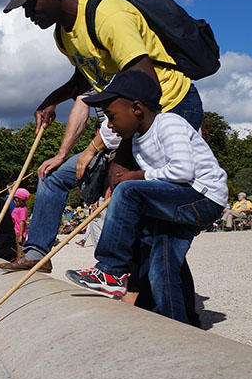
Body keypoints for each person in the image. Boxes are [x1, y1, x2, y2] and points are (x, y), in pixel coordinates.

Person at [0, 0, 206, 276]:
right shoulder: (63, 36)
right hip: (124, 121)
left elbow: (145, 86)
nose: (28, 14)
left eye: (31, 3)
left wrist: (115, 155)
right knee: (53, 176)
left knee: (141, 201)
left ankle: (133, 282)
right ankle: (37, 253)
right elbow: (86, 81)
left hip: (168, 109)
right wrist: (53, 102)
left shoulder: (108, 16)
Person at [64, 72, 226, 323]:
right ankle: (178, 323)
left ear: (136, 108)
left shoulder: (169, 123)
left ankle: (111, 270)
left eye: (111, 115)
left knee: (130, 190)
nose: (108, 124)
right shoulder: (137, 141)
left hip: (202, 196)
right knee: (162, 262)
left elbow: (182, 170)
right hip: (176, 200)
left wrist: (136, 176)